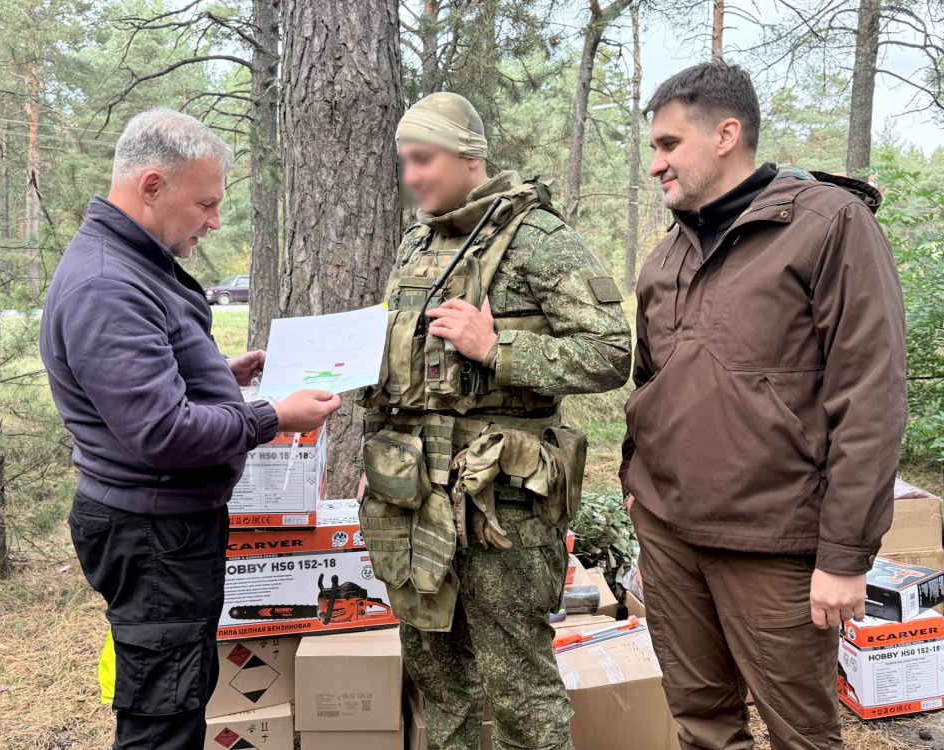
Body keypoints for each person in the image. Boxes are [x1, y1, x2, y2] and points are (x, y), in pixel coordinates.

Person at [620, 60, 907, 750]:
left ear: (726, 134)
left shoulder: (829, 225)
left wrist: (844, 554)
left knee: (800, 735)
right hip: (668, 530)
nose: (654, 165)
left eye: (667, 145)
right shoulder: (666, 257)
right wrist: (636, 483)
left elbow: (870, 396)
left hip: (771, 539)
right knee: (701, 723)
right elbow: (650, 380)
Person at [40, 108, 341, 750]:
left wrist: (218, 373)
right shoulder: (105, 283)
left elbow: (141, 381)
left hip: (165, 528)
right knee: (162, 717)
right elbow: (161, 432)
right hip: (152, 537)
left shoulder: (128, 260)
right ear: (152, 185)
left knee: (179, 691)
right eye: (204, 203)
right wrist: (273, 416)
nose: (214, 221)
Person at [356, 92, 632, 750]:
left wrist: (496, 349)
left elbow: (611, 354)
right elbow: (401, 368)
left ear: (469, 156)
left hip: (502, 509)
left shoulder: (537, 238)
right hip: (415, 501)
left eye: (423, 159)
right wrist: (376, 458)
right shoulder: (417, 241)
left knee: (521, 694)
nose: (412, 176)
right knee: (440, 682)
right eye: (405, 162)